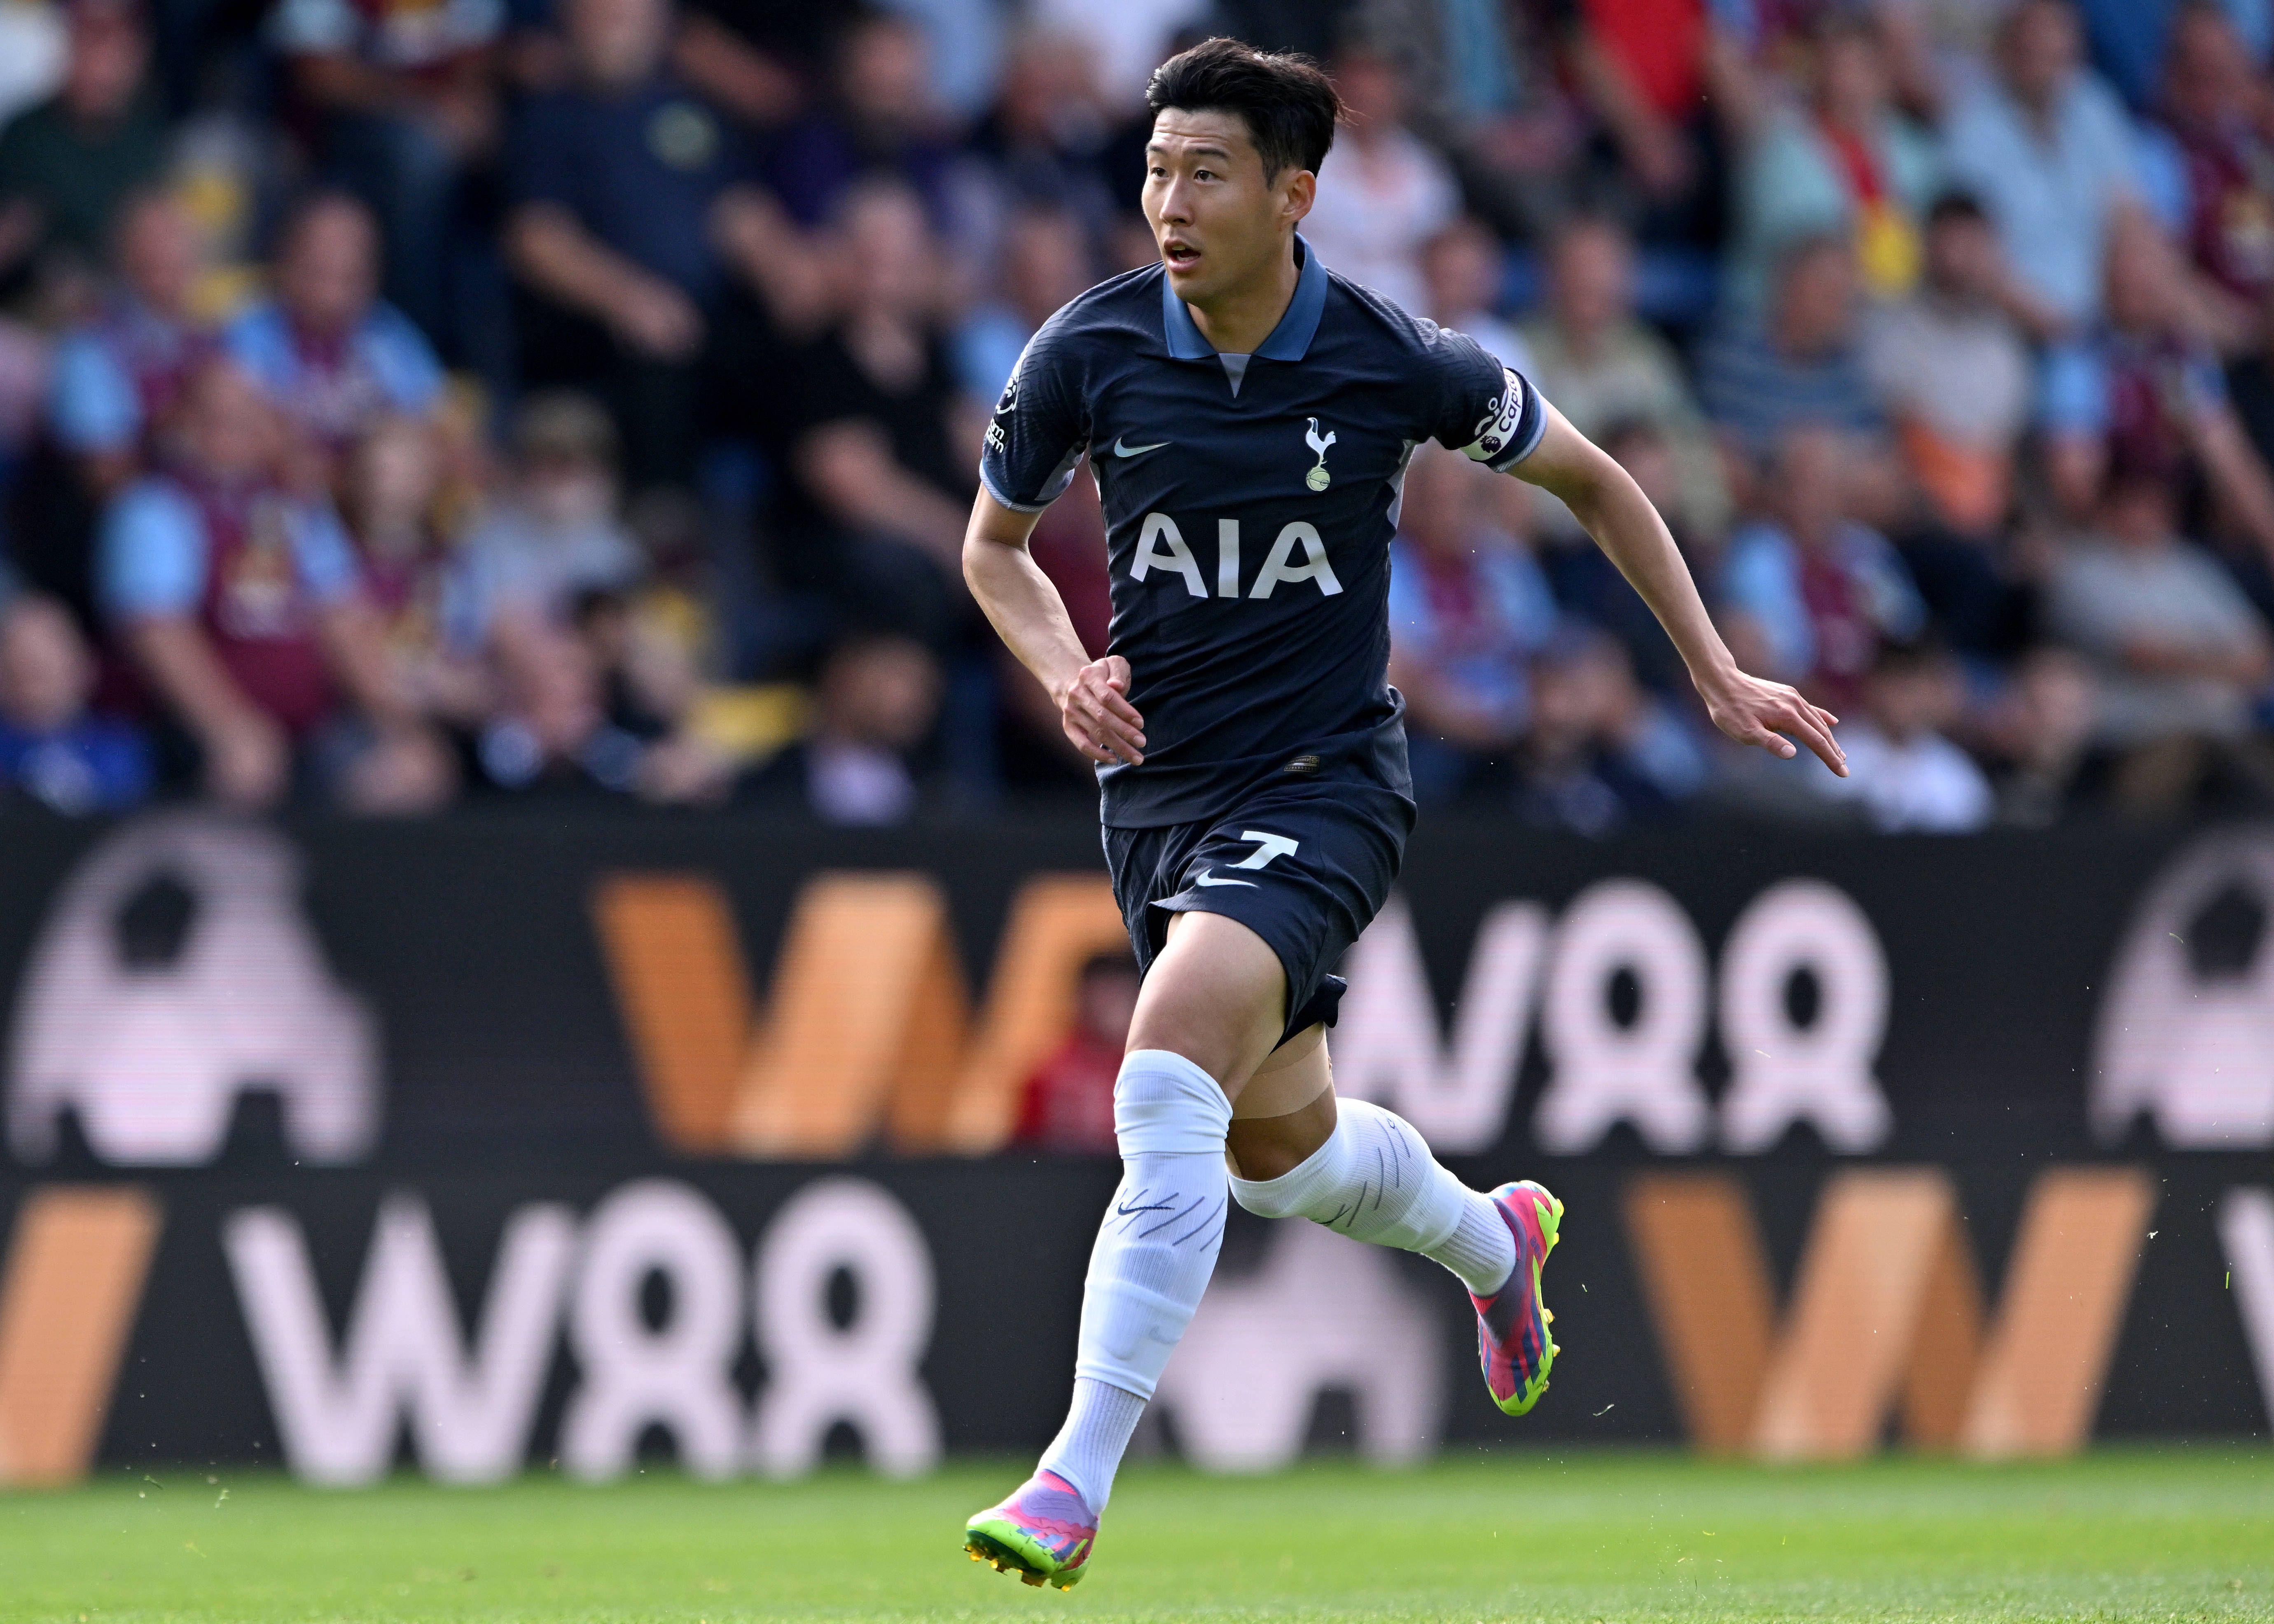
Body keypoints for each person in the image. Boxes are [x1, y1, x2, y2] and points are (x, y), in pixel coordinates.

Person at [956, 37, 1844, 1588]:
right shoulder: (1083, 354)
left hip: (1323, 789)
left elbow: (1597, 481)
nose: (1166, 199)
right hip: (1155, 803)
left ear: (1294, 193)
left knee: (1160, 1068)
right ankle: (1491, 1242)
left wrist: (1708, 669)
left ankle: (1069, 1476)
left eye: (1204, 171)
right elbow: (993, 548)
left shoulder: (1390, 357)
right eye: (1154, 169)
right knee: (1271, 1160)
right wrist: (1057, 668)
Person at [98, 354, 451, 811]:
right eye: (219, 419)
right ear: (186, 422)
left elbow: (341, 619)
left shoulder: (297, 507)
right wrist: (230, 725)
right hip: (189, 723)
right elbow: (159, 632)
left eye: (249, 417)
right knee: (247, 767)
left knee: (410, 768)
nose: (235, 432)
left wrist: (398, 724)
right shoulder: (154, 507)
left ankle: (345, 882)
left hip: (309, 727)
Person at [224, 192, 446, 465]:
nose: (332, 297)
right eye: (318, 273)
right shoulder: (247, 334)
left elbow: (439, 428)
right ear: (283, 266)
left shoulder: (391, 338)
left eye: (349, 277)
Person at [0, 0, 165, 293]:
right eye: (91, 43)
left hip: (119, 305)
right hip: (32, 308)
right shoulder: (26, 135)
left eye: (115, 45)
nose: (104, 61)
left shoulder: (144, 132)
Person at [1809, 637, 1994, 832]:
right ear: (1874, 686)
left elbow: (1971, 821)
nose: (1907, 700)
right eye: (1899, 687)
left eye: (1915, 689)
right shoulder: (1836, 748)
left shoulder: (1954, 769)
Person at [0, 591, 150, 813]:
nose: (25, 666)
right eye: (16, 670)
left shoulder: (120, 746)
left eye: (42, 669)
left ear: (88, 668)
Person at [1014, 951, 1141, 1152]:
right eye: (1103, 994)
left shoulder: (1150, 1073)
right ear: (1082, 997)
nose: (1112, 1007)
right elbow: (1025, 1153)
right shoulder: (1051, 1076)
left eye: (1122, 995)